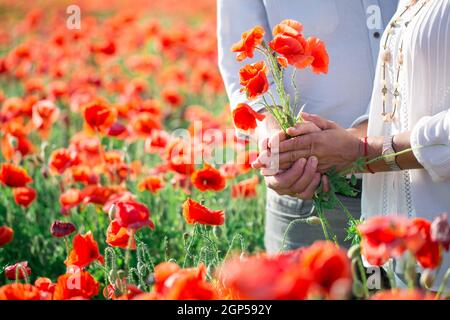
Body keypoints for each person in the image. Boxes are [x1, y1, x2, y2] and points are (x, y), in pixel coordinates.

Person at [259, 0, 450, 291]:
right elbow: (407, 98)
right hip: (402, 252)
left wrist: (364, 152)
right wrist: (343, 142)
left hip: (437, 245)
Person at [217, 0, 399, 252]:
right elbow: (240, 60)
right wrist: (276, 140)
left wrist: (362, 144)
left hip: (426, 177)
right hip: (310, 187)